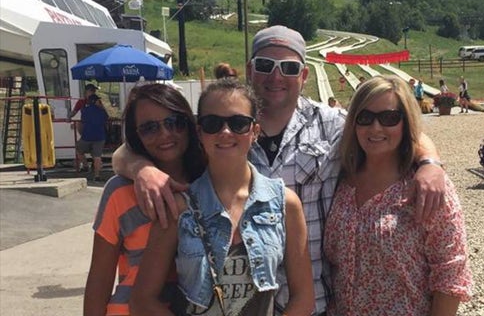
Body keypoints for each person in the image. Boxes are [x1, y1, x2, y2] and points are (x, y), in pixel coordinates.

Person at [112, 24, 446, 315]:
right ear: (250, 69)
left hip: (314, 303)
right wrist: (141, 167)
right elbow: (129, 150)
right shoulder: (221, 130)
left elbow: (386, 132)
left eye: (288, 68)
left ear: (303, 75)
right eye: (266, 65)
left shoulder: (331, 125)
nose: (276, 76)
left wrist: (429, 163)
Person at [130, 79, 314, 315]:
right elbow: (142, 300)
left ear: (255, 131)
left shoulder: (285, 204)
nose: (225, 132)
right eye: (212, 123)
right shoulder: (180, 208)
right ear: (199, 132)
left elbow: (304, 297)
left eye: (238, 123)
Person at [324, 75, 472, 315]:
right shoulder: (339, 179)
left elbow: (450, 273)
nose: (376, 128)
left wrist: (431, 162)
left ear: (406, 122)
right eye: (365, 118)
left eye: (389, 118)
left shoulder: (425, 185)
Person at [84, 84, 206, 316]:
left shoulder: (211, 182)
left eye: (174, 122)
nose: (164, 134)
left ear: (189, 124)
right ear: (136, 135)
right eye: (149, 128)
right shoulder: (119, 191)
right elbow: (100, 278)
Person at [75, 89, 109, 181]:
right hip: (100, 137)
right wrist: (102, 107)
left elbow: (81, 123)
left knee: (79, 150)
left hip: (87, 136)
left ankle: (86, 166)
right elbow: (107, 118)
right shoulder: (102, 111)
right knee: (97, 157)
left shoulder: (84, 110)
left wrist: (82, 133)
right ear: (96, 101)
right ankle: (97, 176)